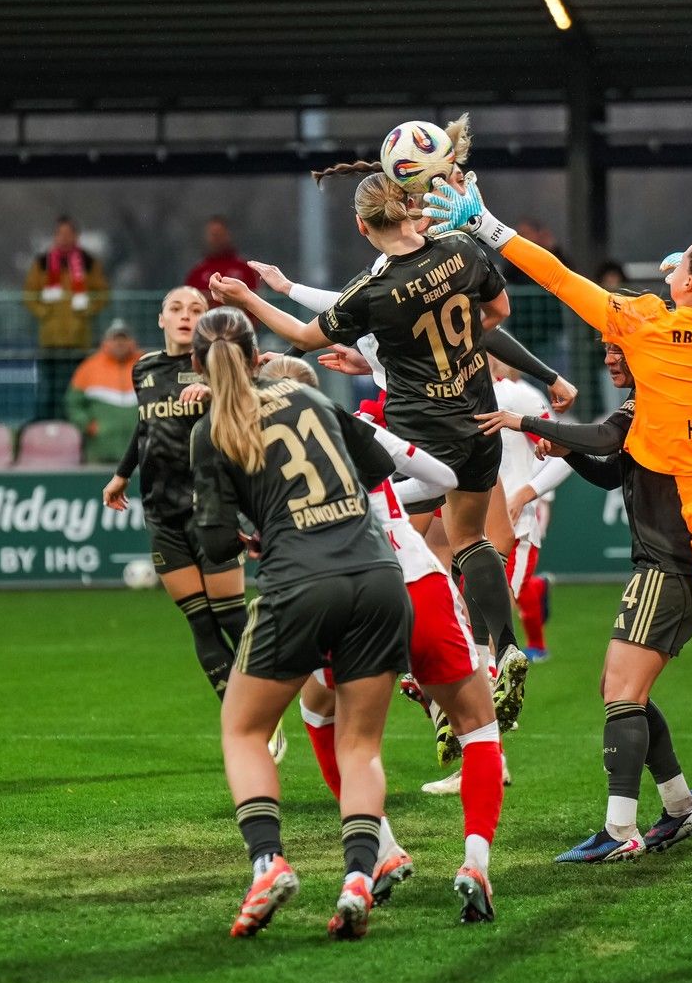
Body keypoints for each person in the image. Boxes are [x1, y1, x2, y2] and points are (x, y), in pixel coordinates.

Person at [428, 175, 692, 859]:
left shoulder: (647, 324)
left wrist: (488, 226)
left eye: (678, 271)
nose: (666, 277)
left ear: (690, 286)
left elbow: (559, 279)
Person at [209, 145, 537, 729]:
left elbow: (304, 337)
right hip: (480, 419)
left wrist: (247, 299)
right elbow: (499, 313)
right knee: (469, 539)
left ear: (362, 227)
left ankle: (420, 665)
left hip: (421, 434)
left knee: (368, 521)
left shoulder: (374, 290)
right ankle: (505, 648)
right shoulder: (462, 248)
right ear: (409, 208)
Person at [189, 307, 413, 941]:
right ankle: (359, 877)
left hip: (299, 584)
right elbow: (377, 466)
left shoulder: (212, 428)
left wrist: (256, 529)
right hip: (377, 575)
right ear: (257, 354)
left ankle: (268, 863)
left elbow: (215, 545)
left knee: (244, 730)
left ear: (198, 366)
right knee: (360, 746)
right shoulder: (311, 395)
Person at [258, 353, 503, 925]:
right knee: (477, 725)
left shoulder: (261, 450)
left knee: (327, 719)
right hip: (416, 581)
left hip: (344, 592)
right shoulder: (357, 426)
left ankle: (384, 848)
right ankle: (475, 863)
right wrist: (390, 493)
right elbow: (444, 479)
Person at [495, 328, 692, 862]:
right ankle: (681, 806)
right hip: (673, 564)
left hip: (671, 565)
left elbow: (603, 437)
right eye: (606, 348)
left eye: (617, 348)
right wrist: (567, 452)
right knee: (621, 688)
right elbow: (614, 468)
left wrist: (525, 422)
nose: (608, 358)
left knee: (621, 689)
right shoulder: (659, 397)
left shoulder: (656, 395)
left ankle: (621, 830)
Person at [102, 288, 272, 753]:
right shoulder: (144, 368)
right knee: (200, 623)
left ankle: (266, 711)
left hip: (210, 508)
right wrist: (122, 474)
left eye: (196, 309)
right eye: (175, 309)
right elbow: (145, 426)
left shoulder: (218, 368)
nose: (185, 315)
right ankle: (245, 723)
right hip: (161, 511)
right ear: (161, 318)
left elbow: (253, 404)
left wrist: (219, 391)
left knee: (232, 617)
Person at [491, 358, 554, 661]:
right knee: (468, 623)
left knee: (491, 626)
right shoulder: (447, 397)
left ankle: (534, 646)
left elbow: (562, 452)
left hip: (514, 529)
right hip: (464, 531)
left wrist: (528, 495)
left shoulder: (520, 396)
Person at [24, 217, 108, 421]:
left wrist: (86, 310)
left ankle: (75, 426)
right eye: (60, 234)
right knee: (48, 390)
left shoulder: (88, 263)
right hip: (50, 340)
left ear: (76, 236)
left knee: (76, 389)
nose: (64, 238)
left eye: (68, 234)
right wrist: (43, 312)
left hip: (79, 340)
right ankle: (47, 427)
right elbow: (29, 293)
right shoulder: (42, 263)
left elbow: (102, 293)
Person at [67, 320, 140, 466]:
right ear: (105, 342)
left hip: (139, 451)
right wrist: (89, 426)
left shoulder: (145, 363)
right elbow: (73, 404)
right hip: (100, 450)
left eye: (123, 338)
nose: (119, 343)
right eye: (115, 339)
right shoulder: (88, 367)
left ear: (132, 342)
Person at [183, 217, 259, 298]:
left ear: (228, 235)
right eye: (213, 234)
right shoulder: (197, 273)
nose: (216, 238)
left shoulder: (244, 269)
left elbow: (255, 299)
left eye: (219, 234)